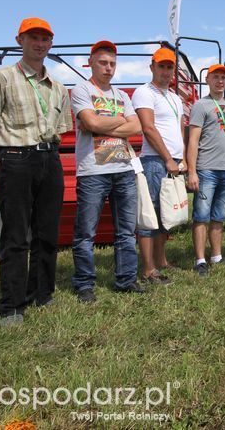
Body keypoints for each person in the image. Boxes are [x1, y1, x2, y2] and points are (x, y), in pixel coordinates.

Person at [0, 17, 73, 326]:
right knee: (16, 235)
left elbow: (61, 129)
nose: (40, 43)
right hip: (15, 157)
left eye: (45, 38)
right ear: (20, 40)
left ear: (51, 44)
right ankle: (12, 305)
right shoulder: (0, 78)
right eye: (33, 37)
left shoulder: (58, 87)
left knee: (47, 232)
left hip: (50, 159)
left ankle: (42, 293)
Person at [70, 40, 144, 302]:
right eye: (103, 63)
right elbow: (89, 122)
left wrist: (104, 125)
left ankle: (126, 279)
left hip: (123, 169)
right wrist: (120, 120)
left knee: (126, 230)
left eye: (112, 63)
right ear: (90, 63)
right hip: (92, 172)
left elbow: (136, 128)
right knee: (86, 233)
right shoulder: (81, 90)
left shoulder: (122, 96)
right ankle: (84, 284)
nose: (108, 68)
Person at [131, 47, 185, 285]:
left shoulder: (175, 98)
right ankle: (148, 269)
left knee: (166, 214)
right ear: (152, 67)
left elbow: (180, 128)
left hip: (172, 162)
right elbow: (148, 128)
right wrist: (168, 158)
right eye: (161, 66)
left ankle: (161, 261)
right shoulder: (144, 92)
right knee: (149, 215)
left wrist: (181, 156)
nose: (165, 71)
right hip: (155, 161)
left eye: (169, 67)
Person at [186, 64, 225, 276]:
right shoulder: (201, 105)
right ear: (207, 80)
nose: (220, 81)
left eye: (223, 78)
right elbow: (193, 140)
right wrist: (192, 171)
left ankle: (216, 256)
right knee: (201, 216)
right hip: (206, 169)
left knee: (219, 216)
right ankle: (200, 260)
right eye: (215, 77)